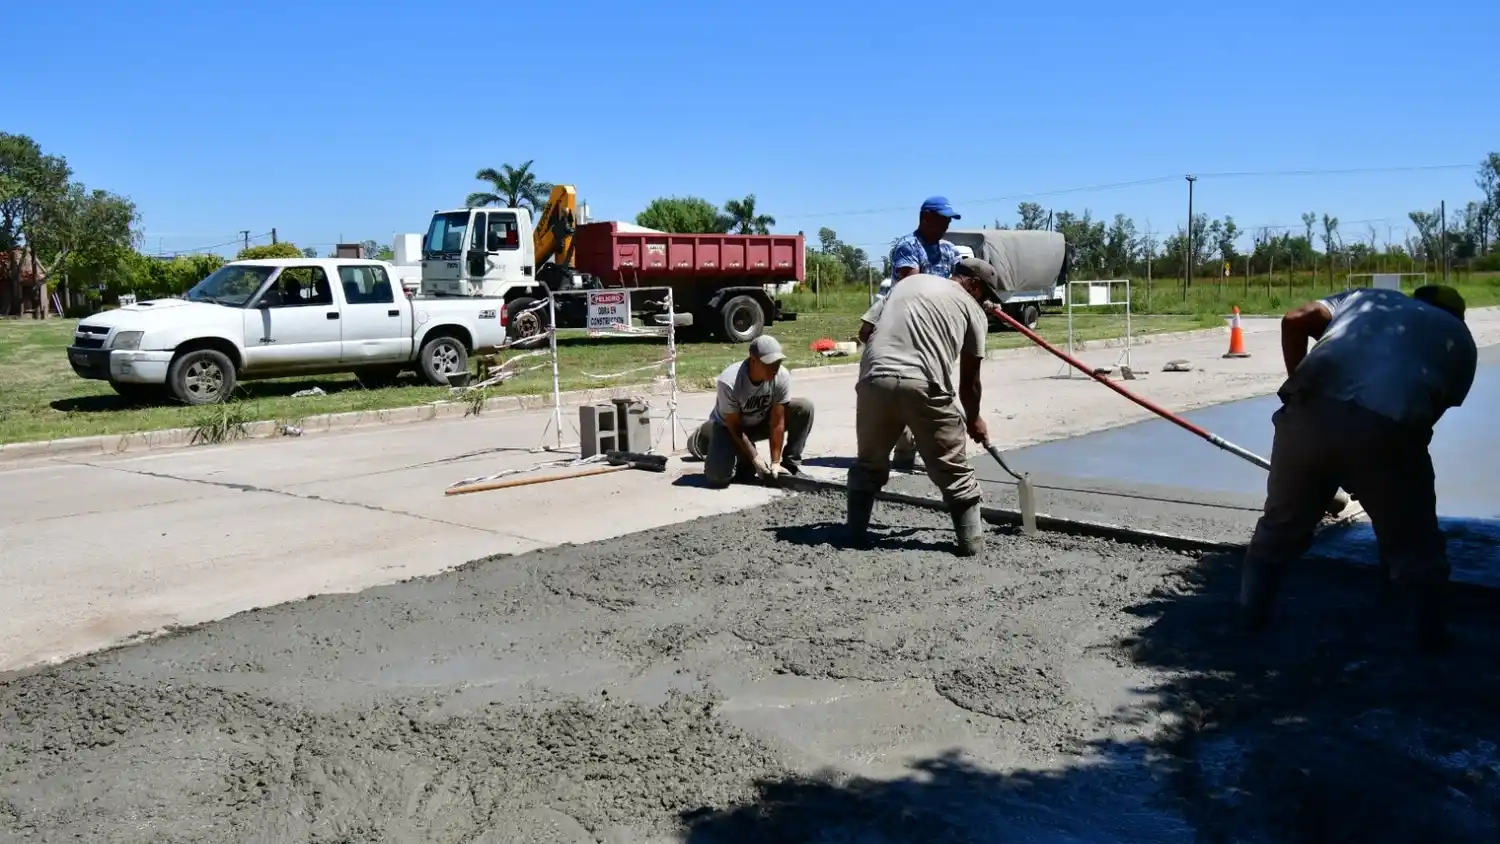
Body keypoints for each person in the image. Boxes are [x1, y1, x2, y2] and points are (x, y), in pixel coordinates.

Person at [1240, 284, 1477, 653]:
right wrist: (1376, 471)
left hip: (1306, 410)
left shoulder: (1368, 298)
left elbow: (1294, 320)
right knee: (1414, 541)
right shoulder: (1460, 340)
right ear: (1456, 315)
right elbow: (1428, 416)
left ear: (1415, 299)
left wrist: (1298, 388)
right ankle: (1430, 637)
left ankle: (1250, 616)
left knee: (1279, 526)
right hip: (1389, 425)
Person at [847, 257, 1005, 557]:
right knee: (953, 470)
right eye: (985, 294)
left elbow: (865, 334)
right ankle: (971, 545)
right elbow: (970, 380)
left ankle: (853, 535)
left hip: (873, 380)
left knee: (868, 465)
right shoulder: (973, 309)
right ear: (973, 284)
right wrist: (974, 419)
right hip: (924, 384)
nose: (985, 302)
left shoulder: (908, 283)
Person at [860, 196, 965, 473]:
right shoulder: (909, 246)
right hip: (907, 325)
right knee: (908, 386)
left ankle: (932, 452)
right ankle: (905, 453)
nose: (945, 225)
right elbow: (911, 285)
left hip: (936, 328)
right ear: (925, 218)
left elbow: (962, 279)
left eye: (948, 221)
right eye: (942, 219)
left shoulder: (949, 249)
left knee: (932, 388)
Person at [701, 335, 816, 488]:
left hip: (760, 422)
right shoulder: (730, 381)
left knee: (804, 407)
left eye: (778, 362)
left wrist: (775, 462)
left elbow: (777, 421)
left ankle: (790, 465)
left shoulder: (781, 375)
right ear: (753, 360)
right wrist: (755, 458)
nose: (774, 368)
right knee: (718, 478)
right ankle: (705, 434)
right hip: (729, 428)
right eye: (769, 363)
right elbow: (734, 426)